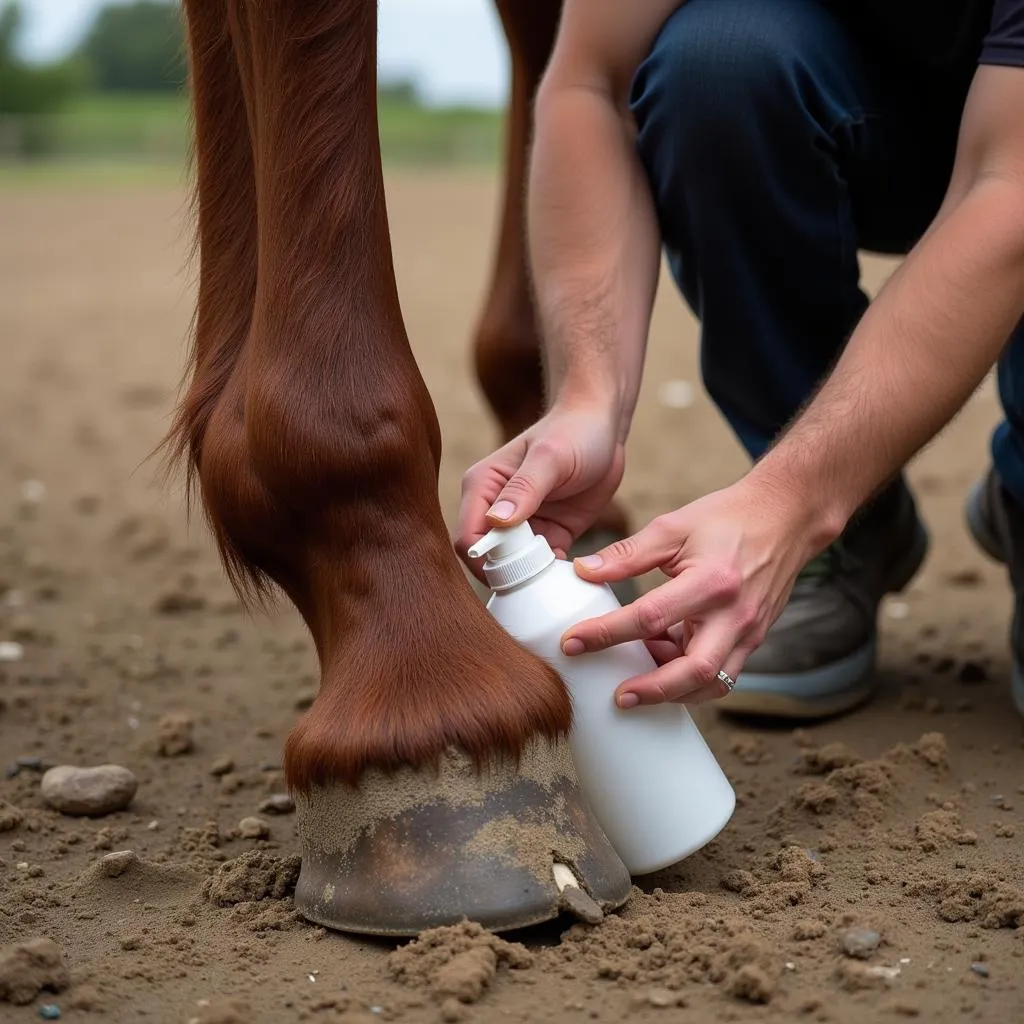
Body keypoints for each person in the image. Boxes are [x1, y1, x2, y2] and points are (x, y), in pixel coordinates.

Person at [455, 0, 1024, 720]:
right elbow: (591, 85)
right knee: (714, 70)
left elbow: (1007, 188)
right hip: (837, 91)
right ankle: (850, 542)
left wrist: (788, 500)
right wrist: (588, 398)